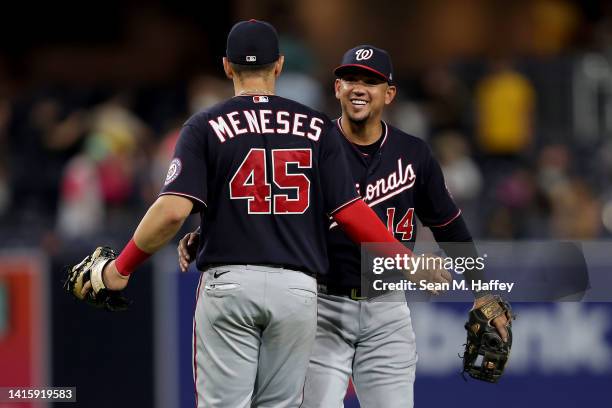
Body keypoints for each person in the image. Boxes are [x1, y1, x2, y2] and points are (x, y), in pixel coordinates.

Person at [77, 23, 440, 408]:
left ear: (227, 67)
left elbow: (171, 213)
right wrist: (406, 260)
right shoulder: (318, 127)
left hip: (230, 285)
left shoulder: (205, 125)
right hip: (298, 292)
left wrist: (120, 269)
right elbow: (350, 213)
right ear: (280, 65)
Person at [179, 44, 511, 407]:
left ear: (390, 93)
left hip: (387, 309)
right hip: (322, 307)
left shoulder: (413, 154)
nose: (358, 88)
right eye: (350, 78)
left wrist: (483, 291)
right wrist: (211, 233)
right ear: (336, 88)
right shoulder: (309, 140)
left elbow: (451, 228)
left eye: (370, 81)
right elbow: (264, 202)